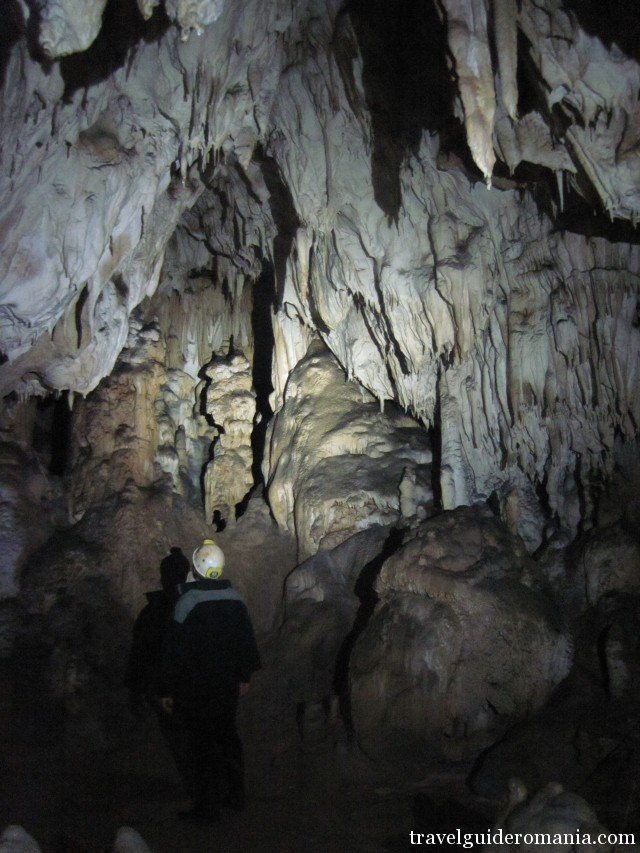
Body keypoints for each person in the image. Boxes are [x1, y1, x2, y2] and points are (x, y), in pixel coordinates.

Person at [159, 538, 261, 823]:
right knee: (227, 737)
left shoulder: (187, 602)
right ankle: (236, 795)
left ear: (197, 567)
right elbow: (245, 641)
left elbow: (175, 650)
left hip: (196, 688)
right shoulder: (235, 599)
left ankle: (207, 807)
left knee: (202, 744)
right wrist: (244, 676)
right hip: (226, 685)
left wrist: (167, 688)